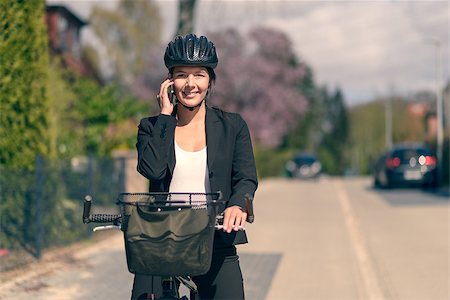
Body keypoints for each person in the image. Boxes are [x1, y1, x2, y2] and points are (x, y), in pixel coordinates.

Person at [134, 34, 258, 299]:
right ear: (169, 82)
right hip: (161, 241)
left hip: (215, 241)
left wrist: (237, 205)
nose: (190, 84)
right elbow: (153, 170)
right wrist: (165, 117)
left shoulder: (232, 127)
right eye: (181, 75)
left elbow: (246, 178)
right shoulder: (151, 127)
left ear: (210, 81)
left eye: (199, 75)